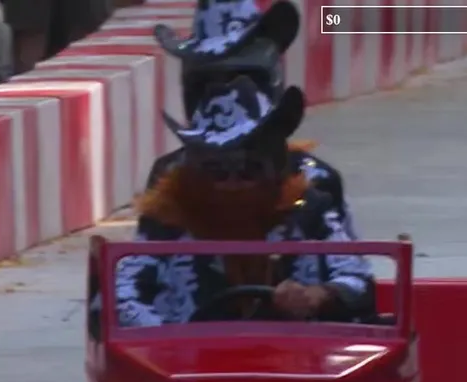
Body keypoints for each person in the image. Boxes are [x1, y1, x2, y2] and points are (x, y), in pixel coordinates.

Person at [115, 75, 372, 327]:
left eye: (249, 170)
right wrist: (166, 338)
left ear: (274, 170)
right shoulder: (165, 221)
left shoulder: (310, 209)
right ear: (194, 172)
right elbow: (122, 295)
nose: (233, 184)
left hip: (297, 349)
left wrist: (319, 295)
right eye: (217, 171)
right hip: (188, 350)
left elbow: (357, 280)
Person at [145, 0, 357, 238]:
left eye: (241, 78)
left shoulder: (315, 181)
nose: (228, 94)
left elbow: (347, 259)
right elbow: (143, 255)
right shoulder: (170, 177)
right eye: (209, 82)